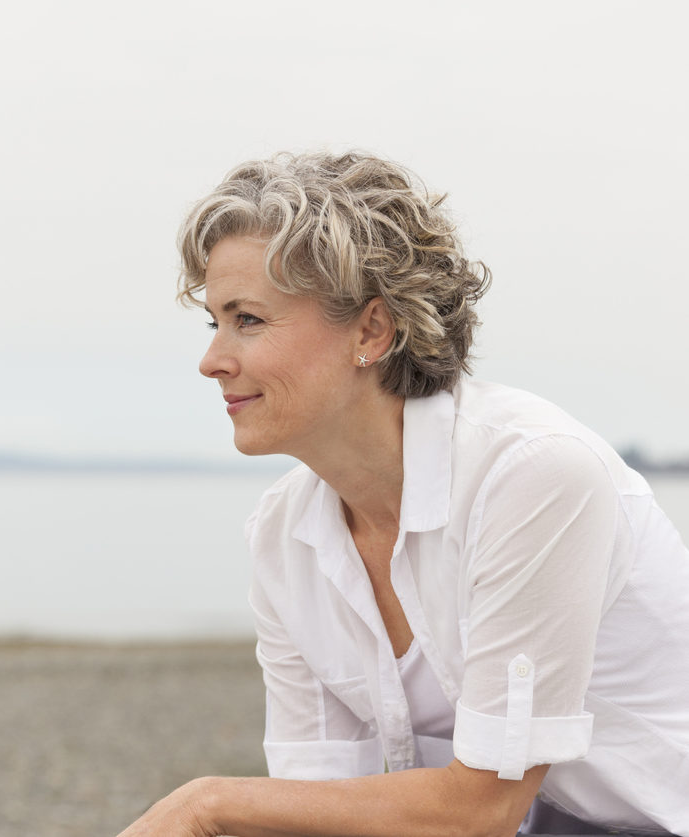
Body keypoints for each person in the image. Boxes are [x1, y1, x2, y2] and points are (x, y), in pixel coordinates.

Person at [117, 152, 689, 837]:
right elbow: (319, 805)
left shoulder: (534, 477)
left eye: (248, 320)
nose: (212, 360)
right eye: (214, 322)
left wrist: (208, 802)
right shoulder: (283, 533)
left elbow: (483, 807)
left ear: (371, 330)